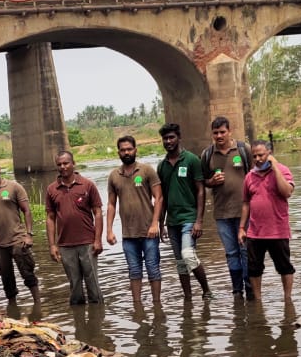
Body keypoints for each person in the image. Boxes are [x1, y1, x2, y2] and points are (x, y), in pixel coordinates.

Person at [106, 134, 163, 308]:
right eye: (123, 150)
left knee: (153, 269)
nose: (126, 152)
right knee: (134, 271)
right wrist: (108, 230)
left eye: (129, 149)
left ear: (135, 150)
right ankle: (137, 306)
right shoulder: (114, 176)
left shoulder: (146, 170)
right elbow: (111, 204)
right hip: (128, 234)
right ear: (118, 153)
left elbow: (159, 198)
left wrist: (155, 224)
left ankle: (157, 305)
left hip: (149, 232)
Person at [156, 122, 211, 300]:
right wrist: (160, 223)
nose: (168, 141)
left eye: (171, 137)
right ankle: (188, 298)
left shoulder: (191, 160)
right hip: (172, 222)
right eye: (165, 138)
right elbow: (162, 197)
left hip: (189, 218)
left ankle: (206, 290)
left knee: (188, 255)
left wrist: (199, 220)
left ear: (179, 138)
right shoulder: (162, 166)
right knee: (180, 262)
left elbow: (201, 190)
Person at [238, 140, 295, 302]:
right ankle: (258, 302)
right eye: (254, 156)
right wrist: (242, 228)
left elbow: (287, 192)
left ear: (269, 153)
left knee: (284, 267)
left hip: (278, 230)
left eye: (261, 155)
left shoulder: (283, 170)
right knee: (254, 269)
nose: (257, 159)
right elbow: (246, 203)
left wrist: (275, 167)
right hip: (255, 232)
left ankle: (288, 300)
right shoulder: (250, 176)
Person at [201, 116, 252, 297]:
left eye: (222, 132)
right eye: (215, 133)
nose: (219, 136)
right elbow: (203, 182)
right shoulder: (207, 155)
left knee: (245, 251)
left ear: (230, 131)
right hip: (222, 213)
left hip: (244, 211)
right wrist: (211, 181)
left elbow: (254, 175)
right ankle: (237, 290)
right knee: (231, 253)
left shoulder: (243, 150)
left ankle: (250, 288)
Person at [44, 150, 103, 305]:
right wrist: (52, 245)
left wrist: (97, 240)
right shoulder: (52, 189)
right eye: (59, 164)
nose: (63, 167)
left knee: (94, 286)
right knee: (75, 287)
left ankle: (97, 322)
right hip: (65, 245)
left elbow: (97, 212)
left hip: (87, 242)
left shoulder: (87, 185)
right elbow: (50, 218)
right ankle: (79, 323)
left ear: (73, 163)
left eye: (66, 163)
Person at [0, 158, 40, 303]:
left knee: (27, 273)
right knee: (6, 278)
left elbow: (27, 211)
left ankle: (38, 304)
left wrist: (29, 234)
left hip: (18, 239)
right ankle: (12, 308)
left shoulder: (14, 187)